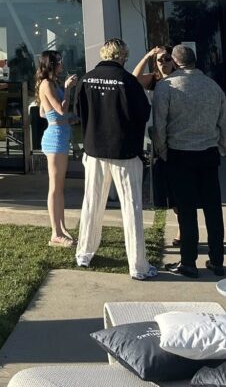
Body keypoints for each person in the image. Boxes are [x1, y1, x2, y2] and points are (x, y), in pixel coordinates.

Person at [75, 37, 157, 280]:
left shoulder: (87, 79)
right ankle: (138, 266)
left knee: (91, 203)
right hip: (124, 151)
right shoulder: (128, 81)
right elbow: (143, 113)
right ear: (122, 56)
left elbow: (79, 112)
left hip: (94, 149)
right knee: (131, 207)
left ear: (103, 54)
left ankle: (84, 253)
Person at [153, 43, 226, 279]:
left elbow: (159, 124)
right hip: (208, 153)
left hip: (180, 153)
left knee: (186, 211)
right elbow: (223, 122)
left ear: (175, 62)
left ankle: (188, 262)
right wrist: (222, 146)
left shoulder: (167, 87)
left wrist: (162, 151)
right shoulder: (213, 86)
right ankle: (217, 260)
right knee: (213, 210)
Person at [132, 44, 180, 242]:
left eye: (167, 59)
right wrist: (147, 56)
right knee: (169, 189)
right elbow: (134, 79)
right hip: (161, 138)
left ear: (174, 61)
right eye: (160, 60)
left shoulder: (180, 78)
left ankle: (183, 229)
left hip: (178, 136)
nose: (163, 63)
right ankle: (182, 226)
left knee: (180, 186)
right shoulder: (155, 79)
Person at [37, 51, 78, 247]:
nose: (62, 64)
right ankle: (55, 233)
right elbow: (61, 109)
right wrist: (68, 90)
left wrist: (68, 119)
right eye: (59, 61)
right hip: (55, 139)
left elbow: (42, 112)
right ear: (52, 64)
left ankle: (61, 228)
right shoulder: (47, 84)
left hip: (60, 135)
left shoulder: (51, 84)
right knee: (54, 187)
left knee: (60, 187)